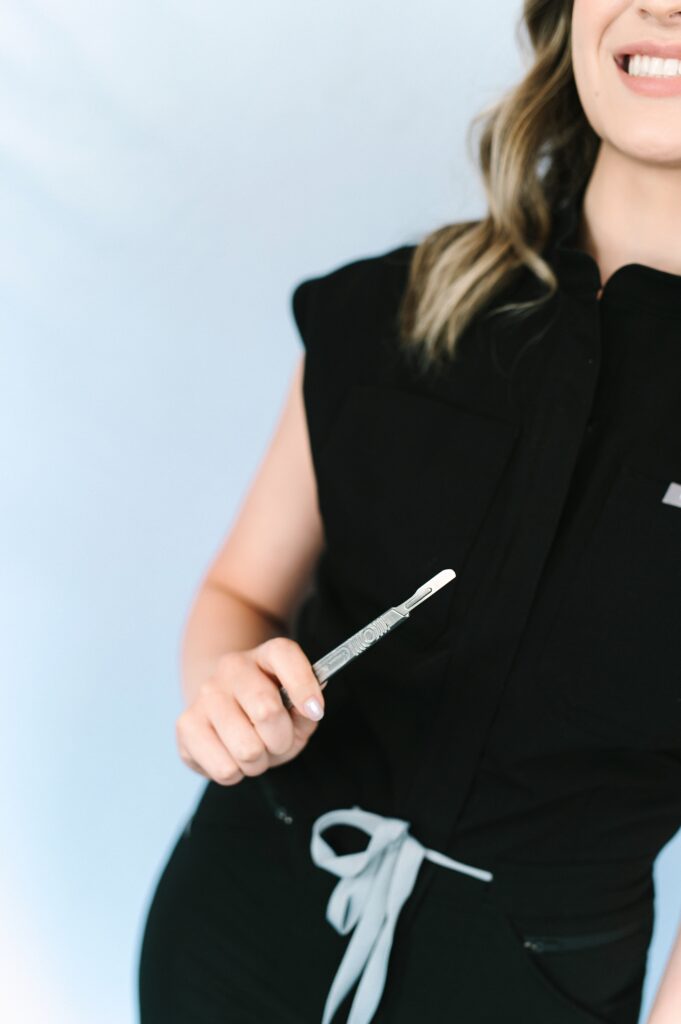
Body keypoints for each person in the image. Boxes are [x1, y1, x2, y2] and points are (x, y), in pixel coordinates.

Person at [137, 1, 681, 1021]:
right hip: (232, 940)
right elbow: (238, 593)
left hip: (539, 987)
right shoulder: (396, 305)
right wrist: (227, 691)